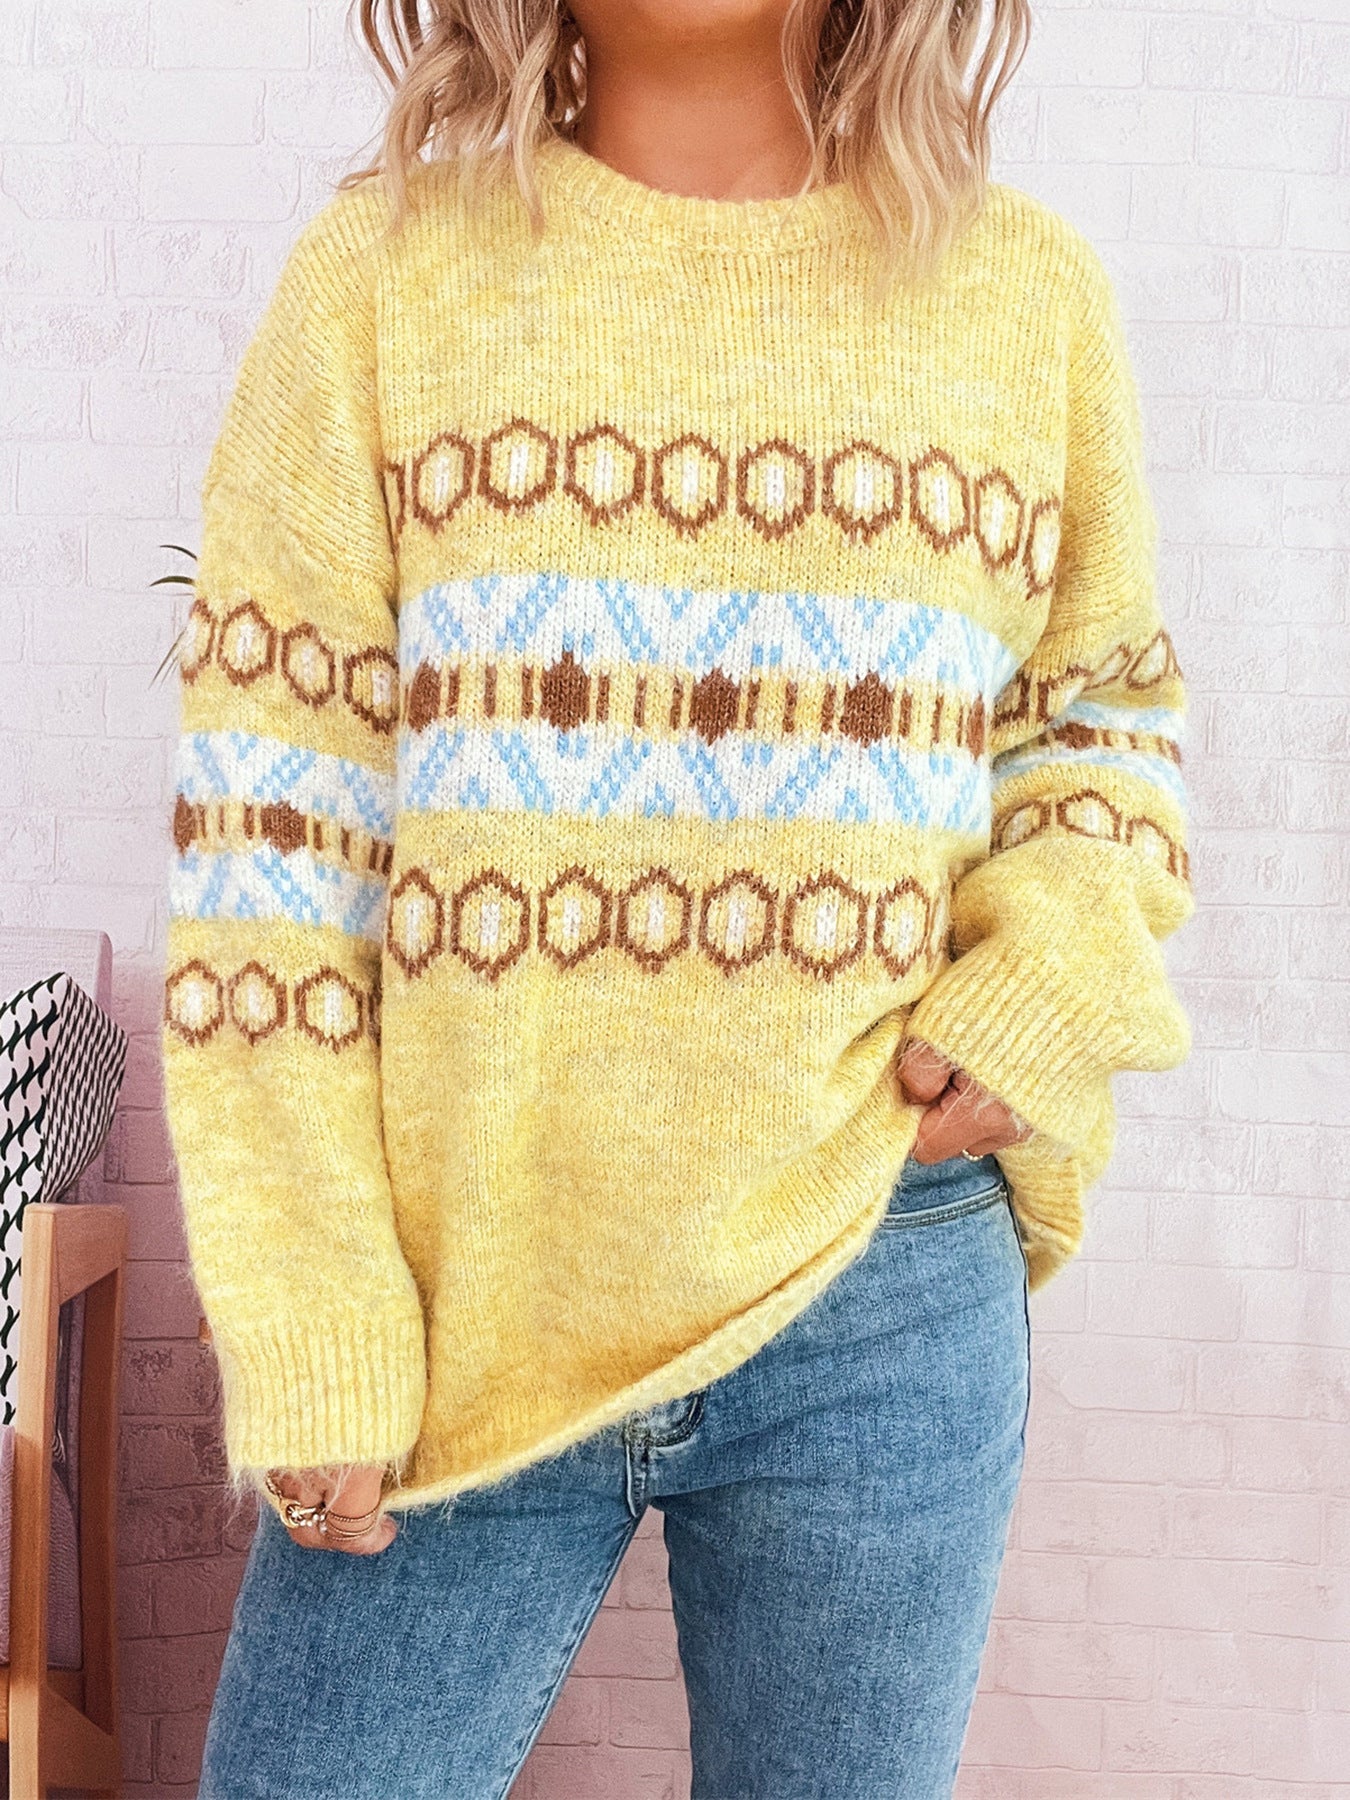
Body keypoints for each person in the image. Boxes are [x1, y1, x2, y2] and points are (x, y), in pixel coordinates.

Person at [160, 1, 1193, 1793]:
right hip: (460, 1296)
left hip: (878, 1277)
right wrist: (315, 1314)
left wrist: (1031, 997)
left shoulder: (1025, 298)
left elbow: (1097, 726)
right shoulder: (382, 284)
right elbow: (276, 846)